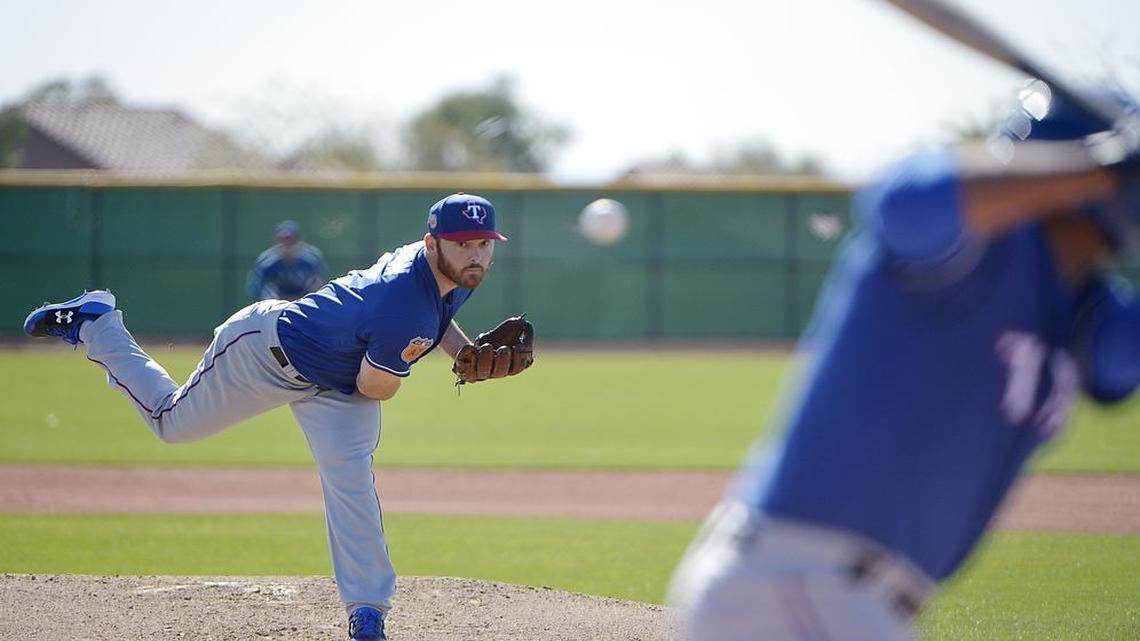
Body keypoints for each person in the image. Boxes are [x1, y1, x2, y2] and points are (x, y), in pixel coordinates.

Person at [668, 87, 1140, 641]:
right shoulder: (969, 254)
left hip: (841, 605)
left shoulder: (1086, 305)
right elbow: (902, 201)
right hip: (795, 585)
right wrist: (1106, 164)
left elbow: (1117, 368)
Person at [24, 193, 535, 641]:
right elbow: (374, 386)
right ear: (431, 244)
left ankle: (367, 611)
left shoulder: (453, 273)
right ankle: (99, 323)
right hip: (267, 353)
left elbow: (436, 316)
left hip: (336, 374)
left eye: (484, 243)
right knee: (171, 425)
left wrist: (463, 353)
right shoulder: (403, 304)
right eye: (463, 243)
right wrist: (444, 362)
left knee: (350, 479)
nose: (475, 255)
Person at [247, 219, 328, 301]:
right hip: (276, 303)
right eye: (282, 240)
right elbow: (255, 288)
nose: (286, 244)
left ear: (299, 240)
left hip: (304, 301)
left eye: (291, 239)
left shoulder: (312, 259)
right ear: (275, 241)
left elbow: (320, 283)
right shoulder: (266, 262)